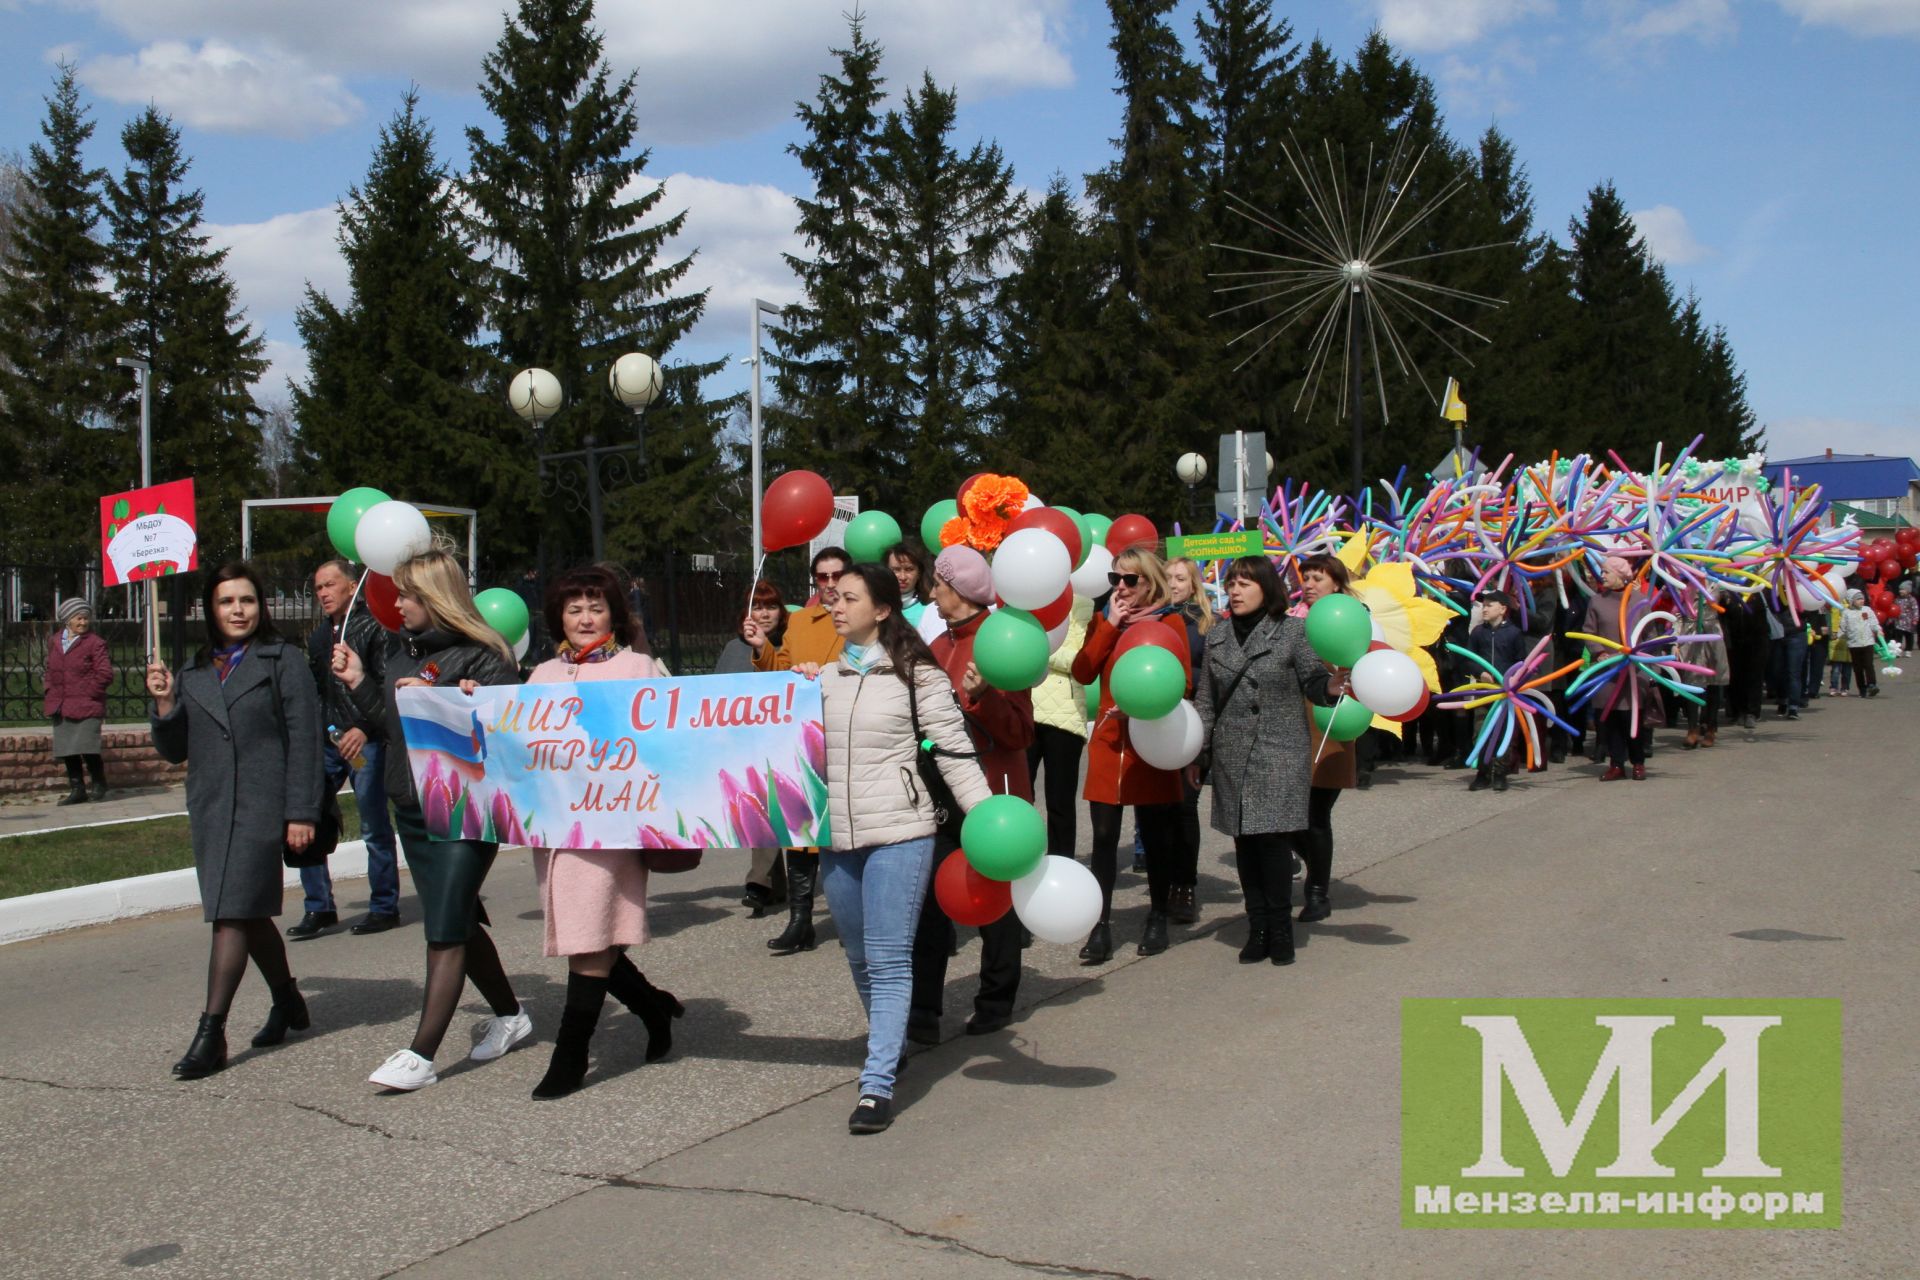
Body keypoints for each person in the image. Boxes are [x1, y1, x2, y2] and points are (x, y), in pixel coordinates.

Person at [335, 547, 532, 1092]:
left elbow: (504, 737)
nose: (395, 605)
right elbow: (392, 728)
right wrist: (359, 684)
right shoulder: (401, 651)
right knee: (460, 920)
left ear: (436, 597)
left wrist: (445, 698)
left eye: (406, 595)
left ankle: (421, 1055)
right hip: (413, 809)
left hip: (466, 811)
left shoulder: (486, 656)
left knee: (443, 926)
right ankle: (513, 1015)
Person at [803, 564, 990, 1133]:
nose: (834, 606)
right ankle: (892, 1045)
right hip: (836, 840)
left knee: (887, 959)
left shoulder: (920, 676)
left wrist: (986, 818)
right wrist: (796, 686)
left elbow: (955, 753)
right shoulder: (820, 680)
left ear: (882, 610)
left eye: (848, 598)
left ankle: (877, 1082)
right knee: (858, 956)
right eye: (832, 597)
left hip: (902, 836)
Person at [147, 564, 325, 1079]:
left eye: (247, 600)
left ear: (260, 606)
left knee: (229, 915)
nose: (238, 611)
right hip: (211, 807)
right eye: (227, 602)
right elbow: (174, 749)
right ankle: (289, 1000)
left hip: (263, 807)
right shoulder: (192, 671)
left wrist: (300, 811)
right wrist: (163, 702)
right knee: (246, 912)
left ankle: (211, 1032)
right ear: (212, 609)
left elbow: (305, 738)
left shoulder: (283, 660)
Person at [523, 566, 684, 1099]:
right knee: (589, 934)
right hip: (557, 831)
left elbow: (673, 738)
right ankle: (653, 1007)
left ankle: (570, 1057)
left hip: (614, 826)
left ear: (614, 613)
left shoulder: (639, 667)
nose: (585, 618)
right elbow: (515, 745)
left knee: (587, 936)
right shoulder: (542, 674)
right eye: (574, 609)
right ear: (558, 619)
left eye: (595, 607)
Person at [909, 546, 1036, 1042]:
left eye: (938, 584)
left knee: (996, 903)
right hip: (941, 795)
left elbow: (1021, 733)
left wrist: (982, 701)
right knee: (932, 900)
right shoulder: (938, 645)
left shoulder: (1003, 640)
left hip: (993, 793)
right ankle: (923, 1010)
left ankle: (996, 998)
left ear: (957, 588)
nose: (931, 592)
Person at [1194, 556, 1339, 965]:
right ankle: (1257, 926)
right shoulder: (1218, 637)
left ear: (1266, 588)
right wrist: (1196, 752)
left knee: (1273, 842)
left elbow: (1313, 681)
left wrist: (1330, 685)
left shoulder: (1293, 631)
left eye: (1244, 583)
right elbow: (1207, 701)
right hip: (1232, 754)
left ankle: (1280, 929)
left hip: (1279, 752)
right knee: (1246, 844)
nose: (1235, 591)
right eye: (1231, 583)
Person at [1070, 544, 1200, 962]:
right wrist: (1109, 623)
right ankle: (1100, 926)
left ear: (1150, 582)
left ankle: (1157, 916)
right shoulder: (1103, 620)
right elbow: (1083, 670)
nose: (1121, 587)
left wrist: (1143, 703)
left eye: (1130, 579)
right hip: (1110, 742)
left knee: (1158, 837)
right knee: (1104, 838)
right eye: (1115, 579)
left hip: (1153, 742)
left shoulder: (1172, 621)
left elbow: (1183, 685)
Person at [745, 545, 850, 955]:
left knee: (844, 831)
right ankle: (800, 920)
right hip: (803, 737)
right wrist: (761, 646)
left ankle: (849, 918)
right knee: (801, 829)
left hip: (846, 733)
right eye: (821, 577)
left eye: (836, 575)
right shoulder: (802, 620)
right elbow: (778, 668)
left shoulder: (867, 616)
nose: (828, 584)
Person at [294, 559, 401, 940]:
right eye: (318, 587)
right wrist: (325, 730)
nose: (323, 593)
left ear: (352, 586)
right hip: (328, 740)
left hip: (365, 742)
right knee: (308, 814)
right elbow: (319, 692)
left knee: (373, 824)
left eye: (330, 585)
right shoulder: (321, 636)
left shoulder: (374, 628)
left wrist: (363, 728)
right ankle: (318, 906)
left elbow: (384, 687)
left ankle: (384, 906)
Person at [715, 579, 790, 914]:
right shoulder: (733, 649)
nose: (763, 613)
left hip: (784, 743)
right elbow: (716, 694)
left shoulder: (790, 643)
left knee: (770, 810)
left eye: (770, 605)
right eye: (756, 606)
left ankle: (759, 882)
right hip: (744, 745)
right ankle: (771, 882)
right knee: (758, 811)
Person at [1292, 554, 1359, 918]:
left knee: (1316, 812)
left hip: (1333, 722)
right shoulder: (1291, 621)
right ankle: (1316, 864)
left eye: (1318, 577)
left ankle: (1317, 893)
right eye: (1306, 577)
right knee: (1287, 814)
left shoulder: (1353, 618)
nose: (1309, 584)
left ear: (1336, 583)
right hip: (1294, 724)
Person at [1164, 557, 1215, 923]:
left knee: (1183, 807)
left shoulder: (1206, 625)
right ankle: (1163, 880)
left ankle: (1184, 885)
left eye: (1180, 578)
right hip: (1154, 727)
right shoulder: (1154, 618)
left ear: (1194, 584)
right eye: (1167, 577)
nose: (1173, 583)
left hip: (1191, 726)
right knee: (1158, 810)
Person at [1027, 594, 1090, 869]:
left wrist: (1037, 649)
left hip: (1065, 716)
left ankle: (1062, 868)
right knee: (1018, 797)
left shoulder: (1083, 604)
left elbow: (1082, 662)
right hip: (1022, 708)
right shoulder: (1020, 598)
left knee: (1060, 803)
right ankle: (1021, 863)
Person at [44, 597, 114, 805]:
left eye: (86, 619)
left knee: (88, 746)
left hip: (87, 704)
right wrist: (49, 689)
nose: (83, 623)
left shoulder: (95, 643)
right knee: (68, 749)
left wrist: (89, 691)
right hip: (61, 704)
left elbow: (105, 674)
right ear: (67, 620)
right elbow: (50, 669)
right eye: (79, 618)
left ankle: (99, 784)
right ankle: (77, 789)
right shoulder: (55, 641)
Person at [1465, 589, 1528, 792]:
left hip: (1505, 692)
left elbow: (1522, 662)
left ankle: (1500, 773)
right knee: (1481, 730)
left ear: (1502, 609)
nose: (1484, 609)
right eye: (1484, 605)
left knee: (1503, 734)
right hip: (1484, 690)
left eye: (1489, 605)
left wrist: (1512, 679)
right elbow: (1469, 659)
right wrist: (1480, 672)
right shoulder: (1478, 633)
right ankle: (1482, 773)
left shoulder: (1514, 633)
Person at [1682, 590, 1729, 749]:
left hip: (1712, 632)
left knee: (1714, 681)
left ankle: (1711, 727)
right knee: (1691, 681)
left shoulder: (1717, 581)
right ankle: (1692, 728)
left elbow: (1728, 601)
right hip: (1690, 632)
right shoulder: (1684, 580)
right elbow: (1676, 609)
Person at [1839, 590, 1883, 699]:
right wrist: (1839, 635)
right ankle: (1862, 689)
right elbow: (1842, 627)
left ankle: (1872, 685)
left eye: (1862, 598)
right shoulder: (1846, 613)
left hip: (1868, 642)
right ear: (1851, 601)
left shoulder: (1867, 610)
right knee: (1858, 668)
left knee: (1869, 665)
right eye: (1858, 599)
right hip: (1854, 644)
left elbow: (1873, 623)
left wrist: (1878, 630)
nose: (1861, 601)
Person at [888, 542, 938, 634]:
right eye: (896, 570)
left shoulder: (930, 610)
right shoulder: (875, 607)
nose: (902, 577)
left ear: (919, 573)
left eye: (909, 569)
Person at [1827, 601, 1852, 696]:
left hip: (1846, 640)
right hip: (1838, 640)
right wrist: (1834, 631)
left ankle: (1841, 687)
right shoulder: (1837, 604)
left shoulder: (1849, 607)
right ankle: (1837, 687)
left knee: (1843, 669)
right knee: (1838, 668)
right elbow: (1834, 619)